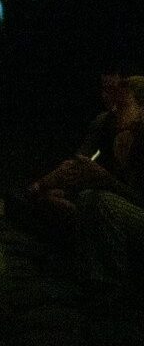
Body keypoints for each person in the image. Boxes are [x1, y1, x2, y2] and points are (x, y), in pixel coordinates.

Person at [26, 75, 144, 296]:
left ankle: (111, 287)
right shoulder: (111, 128)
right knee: (73, 199)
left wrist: (106, 181)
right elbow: (80, 162)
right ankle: (86, 271)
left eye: (123, 105)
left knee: (99, 202)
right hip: (119, 208)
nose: (115, 110)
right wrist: (43, 185)